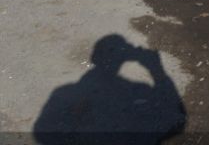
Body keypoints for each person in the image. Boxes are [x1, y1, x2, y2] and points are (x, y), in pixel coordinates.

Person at [33, 34, 186, 145]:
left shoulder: (62, 92)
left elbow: (40, 133)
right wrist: (156, 68)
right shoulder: (139, 89)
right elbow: (175, 117)